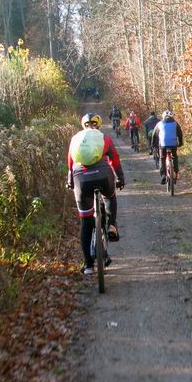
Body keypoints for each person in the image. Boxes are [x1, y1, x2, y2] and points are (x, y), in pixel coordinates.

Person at [67, 113, 126, 274]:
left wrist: (71, 182)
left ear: (83, 125)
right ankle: (112, 225)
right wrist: (120, 177)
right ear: (98, 125)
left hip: (81, 179)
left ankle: (88, 266)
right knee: (110, 196)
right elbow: (114, 158)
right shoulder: (104, 138)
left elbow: (71, 164)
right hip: (103, 176)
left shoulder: (75, 139)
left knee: (86, 223)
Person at [151, 110, 183, 184]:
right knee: (174, 157)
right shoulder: (175, 123)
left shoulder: (159, 124)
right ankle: (175, 173)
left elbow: (154, 135)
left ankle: (163, 176)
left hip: (163, 144)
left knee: (162, 158)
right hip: (173, 144)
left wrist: (153, 145)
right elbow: (180, 134)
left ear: (163, 116)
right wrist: (180, 143)